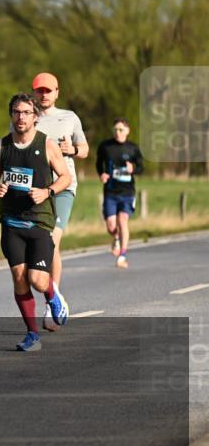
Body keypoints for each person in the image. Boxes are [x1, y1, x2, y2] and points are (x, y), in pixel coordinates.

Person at [0, 93, 72, 352]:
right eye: (16, 112)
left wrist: (47, 192)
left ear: (35, 116)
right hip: (11, 221)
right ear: (11, 115)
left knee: (38, 280)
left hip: (39, 221)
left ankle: (52, 295)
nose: (20, 117)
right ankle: (32, 334)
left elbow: (65, 177)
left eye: (25, 112)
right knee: (19, 278)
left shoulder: (46, 144)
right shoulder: (1, 146)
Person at [31, 72, 88, 330]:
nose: (44, 95)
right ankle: (53, 295)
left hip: (64, 186)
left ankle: (50, 302)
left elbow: (84, 149)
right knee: (42, 246)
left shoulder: (69, 117)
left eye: (48, 90)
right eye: (39, 91)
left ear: (57, 92)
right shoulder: (25, 117)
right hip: (35, 190)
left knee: (51, 241)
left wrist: (72, 150)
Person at [96, 118, 144, 269]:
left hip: (127, 192)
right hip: (110, 191)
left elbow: (141, 167)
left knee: (122, 220)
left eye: (121, 129)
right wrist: (102, 174)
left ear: (127, 131)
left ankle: (122, 255)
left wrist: (133, 170)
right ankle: (116, 237)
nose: (118, 132)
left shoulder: (133, 148)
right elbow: (99, 163)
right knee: (111, 226)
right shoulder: (105, 146)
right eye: (115, 129)